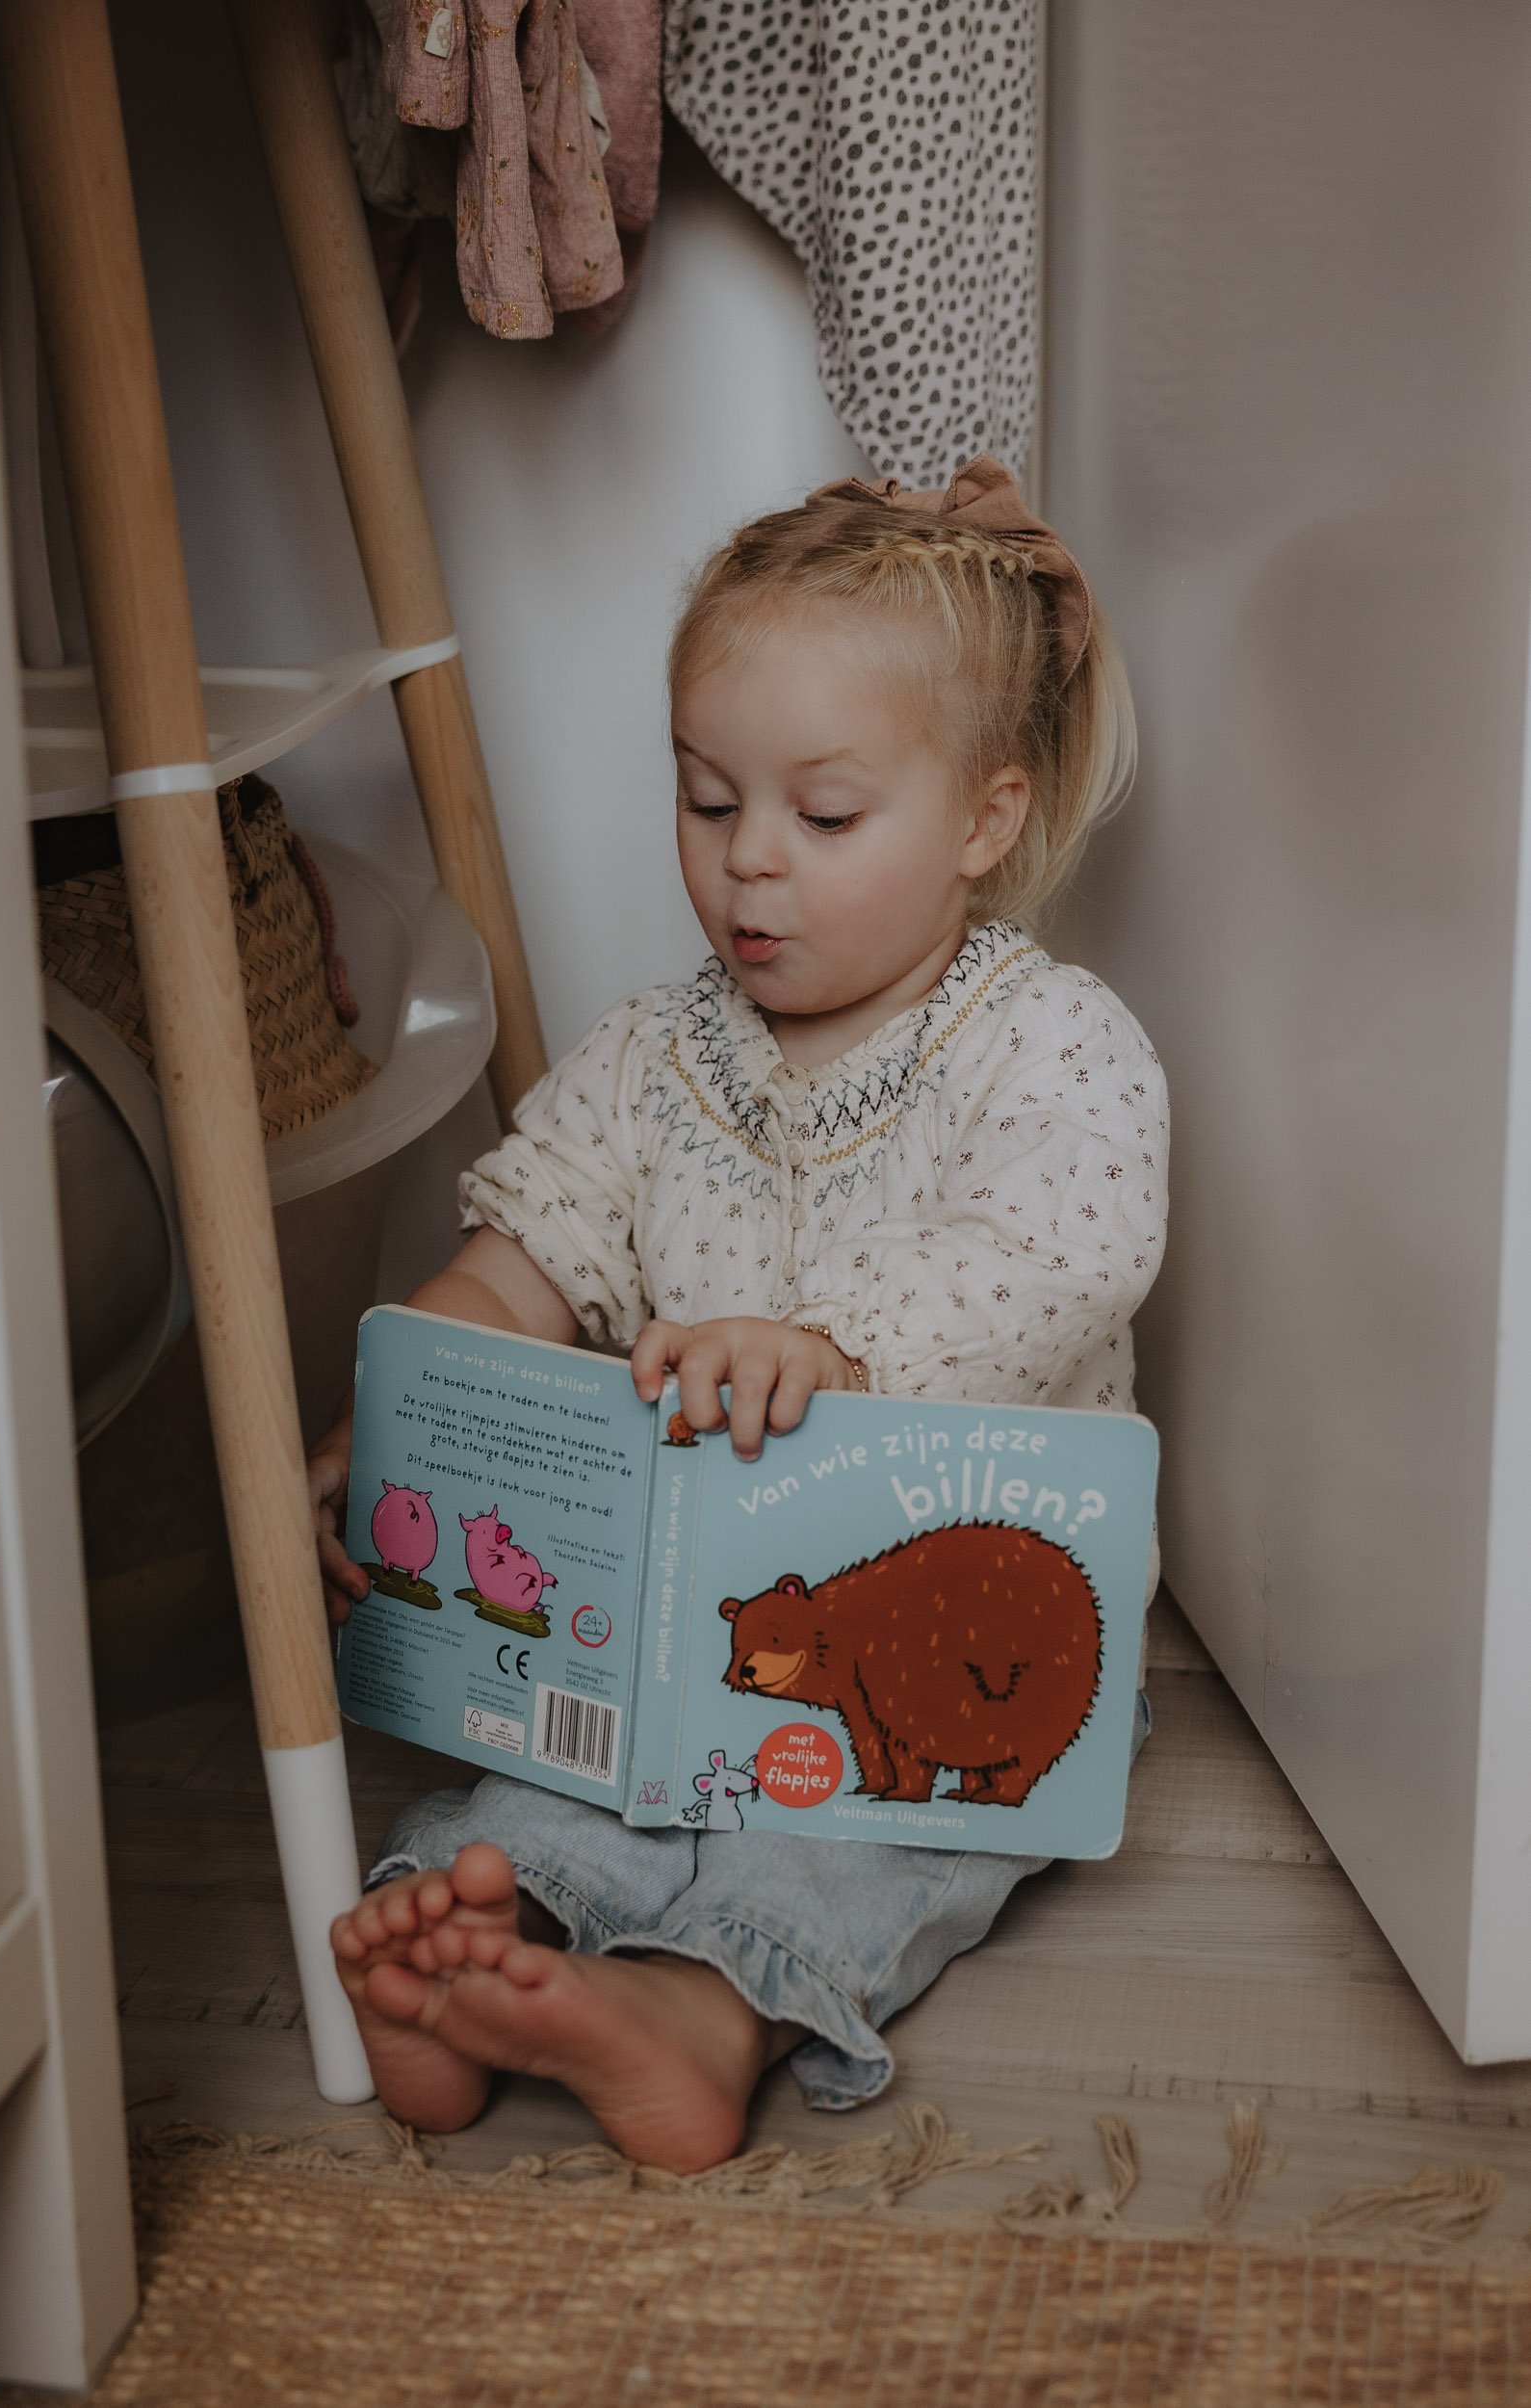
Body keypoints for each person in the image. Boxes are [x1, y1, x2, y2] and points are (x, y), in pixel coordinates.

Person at [309, 456, 1169, 2172]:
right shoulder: (646, 1060)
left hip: (940, 1663)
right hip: (675, 1629)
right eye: (709, 804)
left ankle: (703, 2019)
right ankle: (473, 1949)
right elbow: (521, 1260)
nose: (750, 866)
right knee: (560, 1775)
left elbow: (1069, 1248)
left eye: (823, 819)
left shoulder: (1050, 1045)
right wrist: (421, 1411)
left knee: (846, 1835)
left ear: (984, 822)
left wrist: (833, 1346)